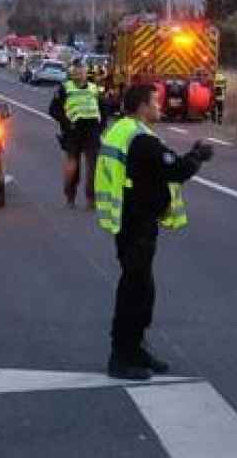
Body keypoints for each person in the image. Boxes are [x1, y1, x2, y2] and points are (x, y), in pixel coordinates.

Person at [94, 83, 213, 380]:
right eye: (155, 102)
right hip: (137, 223)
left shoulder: (122, 129)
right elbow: (176, 169)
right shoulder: (141, 140)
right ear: (142, 107)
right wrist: (198, 155)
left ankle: (136, 349)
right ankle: (122, 355)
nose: (160, 107)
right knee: (135, 290)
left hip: (129, 220)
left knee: (142, 288)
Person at [50, 62, 106, 208]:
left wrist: (101, 127)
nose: (79, 74)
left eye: (81, 71)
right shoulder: (65, 88)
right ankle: (70, 195)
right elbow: (53, 109)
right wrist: (66, 123)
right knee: (73, 166)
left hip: (92, 131)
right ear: (72, 73)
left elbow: (104, 109)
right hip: (73, 131)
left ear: (86, 73)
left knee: (93, 167)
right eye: (76, 72)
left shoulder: (94, 89)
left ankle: (91, 199)